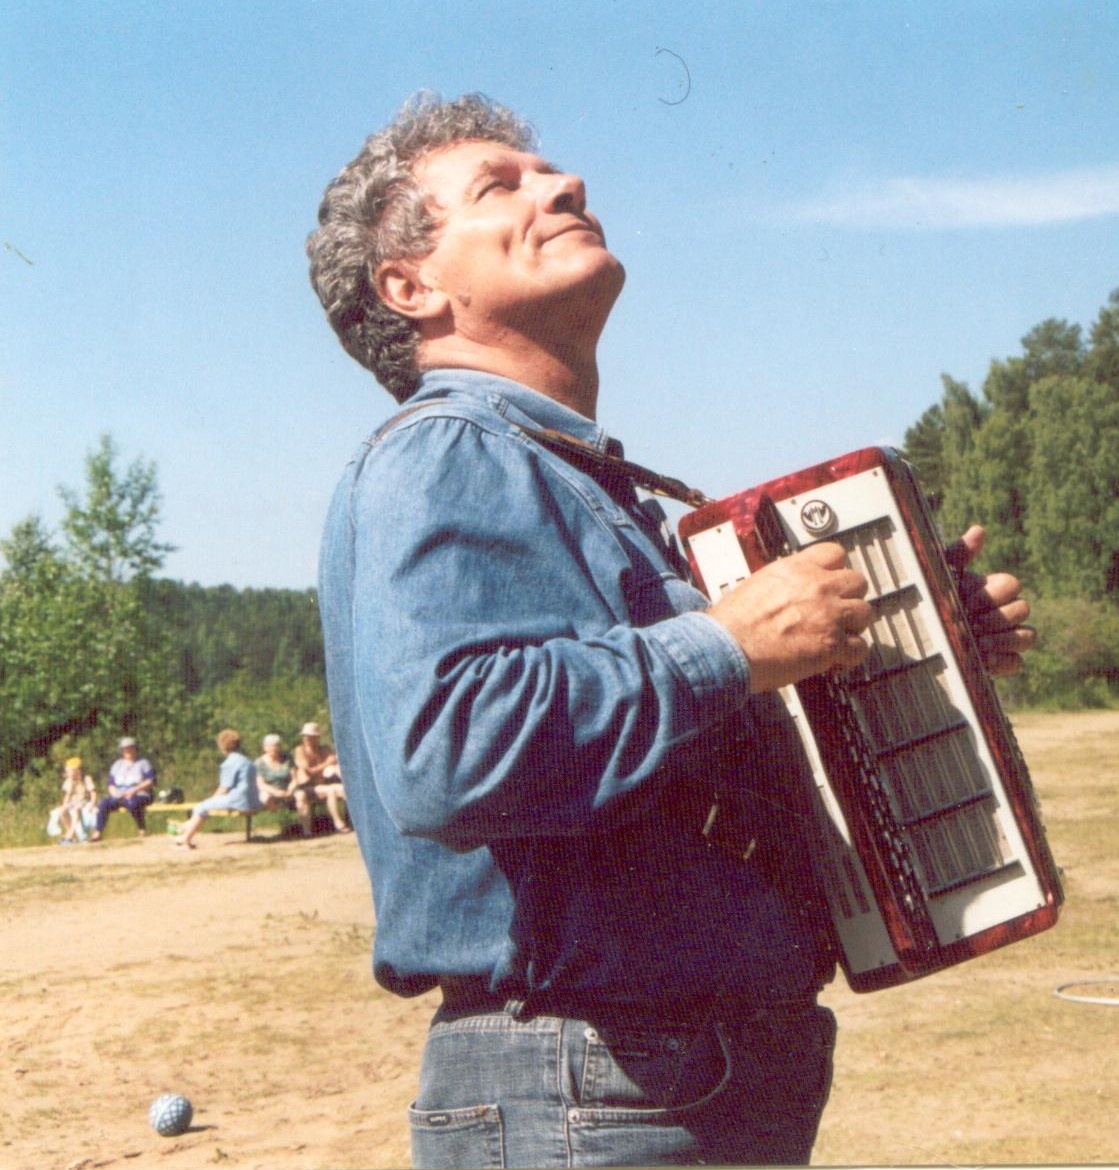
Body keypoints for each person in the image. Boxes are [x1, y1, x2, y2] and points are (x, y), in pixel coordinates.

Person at [306, 92, 1037, 1168]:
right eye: (499, 186)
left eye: (549, 169)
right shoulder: (444, 451)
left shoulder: (574, 480)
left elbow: (686, 759)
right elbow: (451, 746)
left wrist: (903, 640)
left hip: (681, 1072)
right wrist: (730, 644)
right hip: (592, 1085)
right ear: (408, 288)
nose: (563, 185)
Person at [172, 729, 260, 850]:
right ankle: (185, 827)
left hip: (240, 801)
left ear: (222, 745)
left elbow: (224, 788)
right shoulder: (248, 761)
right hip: (254, 801)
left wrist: (210, 802)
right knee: (205, 806)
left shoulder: (230, 763)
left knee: (201, 807)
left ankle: (185, 839)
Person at [90, 737, 156, 842]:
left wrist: (135, 790)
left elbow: (150, 781)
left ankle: (142, 829)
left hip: (140, 793)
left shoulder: (144, 763)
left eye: (130, 748)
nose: (128, 751)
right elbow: (111, 784)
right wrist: (114, 793)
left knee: (133, 803)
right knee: (103, 803)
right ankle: (98, 832)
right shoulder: (117, 765)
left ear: (135, 749)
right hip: (120, 794)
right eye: (125, 749)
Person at [292, 722, 350, 835]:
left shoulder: (325, 749)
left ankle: (354, 821)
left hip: (323, 784)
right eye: (306, 736)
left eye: (311, 736)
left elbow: (333, 761)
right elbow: (308, 771)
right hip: (307, 786)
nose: (308, 739)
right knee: (330, 791)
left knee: (346, 789)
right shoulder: (300, 750)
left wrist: (328, 764)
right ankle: (338, 823)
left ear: (317, 737)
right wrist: (326, 763)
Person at [50, 757, 98, 844]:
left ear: (77, 771)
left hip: (84, 802)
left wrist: (92, 803)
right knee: (62, 812)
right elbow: (67, 796)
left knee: (76, 810)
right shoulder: (69, 781)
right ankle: (72, 835)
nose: (68, 773)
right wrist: (65, 803)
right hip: (73, 802)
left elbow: (93, 793)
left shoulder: (86, 779)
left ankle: (69, 835)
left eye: (70, 771)